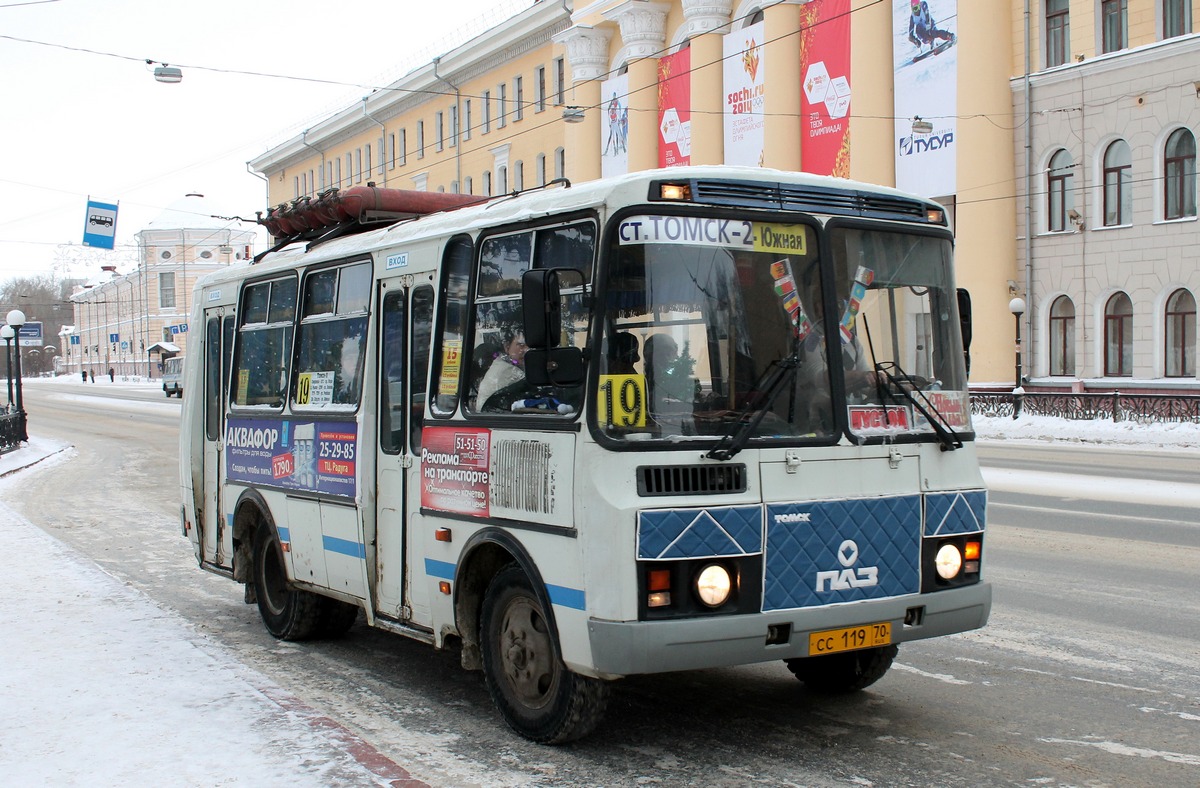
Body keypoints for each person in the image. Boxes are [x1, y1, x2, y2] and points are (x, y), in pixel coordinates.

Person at [475, 328, 528, 411]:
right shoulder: (507, 371)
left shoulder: (509, 364)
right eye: (521, 345)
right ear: (507, 347)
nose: (526, 350)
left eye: (529, 346)